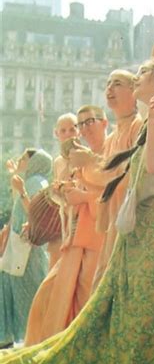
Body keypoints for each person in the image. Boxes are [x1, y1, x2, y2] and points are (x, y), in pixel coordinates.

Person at [0, 59, 154, 364]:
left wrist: (87, 172)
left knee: (112, 328)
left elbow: (134, 174)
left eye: (123, 82)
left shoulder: (152, 124)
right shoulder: (125, 131)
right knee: (90, 322)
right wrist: (73, 187)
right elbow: (111, 180)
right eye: (109, 84)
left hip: (141, 242)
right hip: (115, 241)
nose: (111, 88)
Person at [24, 106, 108, 345]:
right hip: (67, 233)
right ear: (56, 134)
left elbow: (113, 191)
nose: (74, 132)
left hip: (93, 235)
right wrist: (62, 191)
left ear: (103, 124)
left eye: (79, 126)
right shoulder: (64, 161)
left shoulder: (100, 155)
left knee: (79, 296)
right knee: (51, 295)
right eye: (68, 129)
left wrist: (83, 196)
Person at [69, 70, 143, 290]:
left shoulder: (138, 126)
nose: (109, 89)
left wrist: (90, 161)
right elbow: (102, 180)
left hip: (131, 223)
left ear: (134, 91)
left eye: (117, 84)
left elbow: (126, 174)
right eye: (108, 84)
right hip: (112, 223)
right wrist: (83, 166)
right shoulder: (113, 136)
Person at [0, 149, 52, 348]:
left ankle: (34, 340)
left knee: (28, 296)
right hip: (18, 249)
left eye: (23, 158)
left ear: (34, 163)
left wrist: (21, 190)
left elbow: (37, 214)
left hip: (28, 252)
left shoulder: (37, 183)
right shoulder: (31, 181)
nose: (20, 161)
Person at [47, 113, 79, 269]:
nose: (68, 134)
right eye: (63, 130)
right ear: (56, 134)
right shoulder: (57, 162)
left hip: (80, 220)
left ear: (78, 131)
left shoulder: (85, 156)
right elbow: (54, 194)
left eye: (72, 129)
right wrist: (58, 189)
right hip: (61, 221)